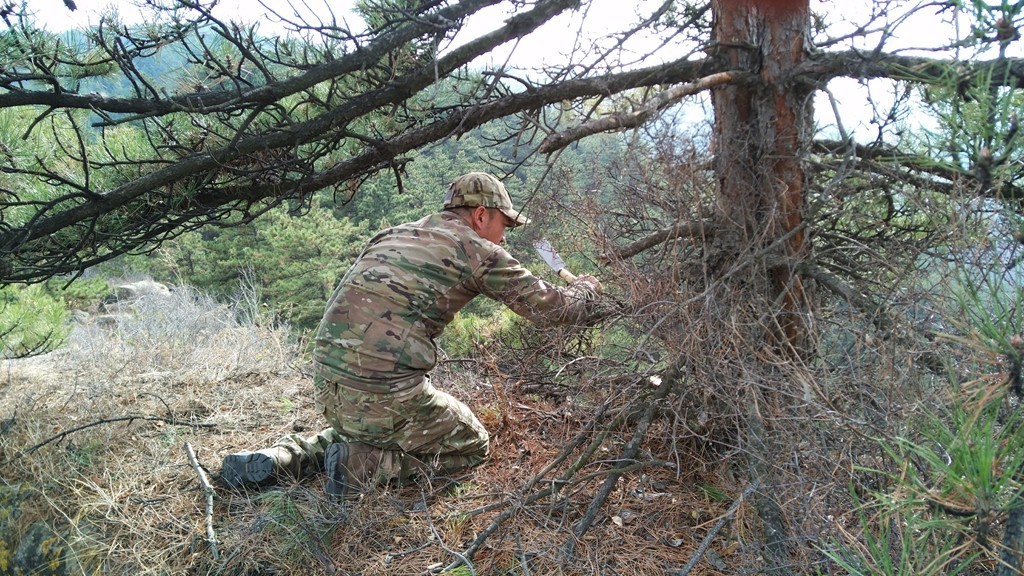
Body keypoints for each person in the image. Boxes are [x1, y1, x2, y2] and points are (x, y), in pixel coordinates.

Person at [220, 172, 604, 497]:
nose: (504, 237)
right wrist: (588, 290)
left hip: (326, 384)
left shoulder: (394, 233)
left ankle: (283, 458)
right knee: (472, 443)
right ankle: (360, 466)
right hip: (384, 394)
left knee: (362, 421)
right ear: (481, 215)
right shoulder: (479, 251)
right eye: (504, 224)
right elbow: (553, 309)